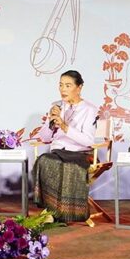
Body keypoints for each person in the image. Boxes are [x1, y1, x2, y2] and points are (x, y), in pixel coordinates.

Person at [31, 70, 99, 223]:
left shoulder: (89, 109)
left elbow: (88, 141)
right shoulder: (56, 106)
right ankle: (51, 210)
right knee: (44, 160)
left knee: (66, 166)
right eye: (61, 85)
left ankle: (60, 213)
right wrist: (51, 120)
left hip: (80, 153)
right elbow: (45, 138)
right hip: (58, 152)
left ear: (79, 88)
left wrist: (64, 126)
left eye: (68, 86)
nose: (63, 89)